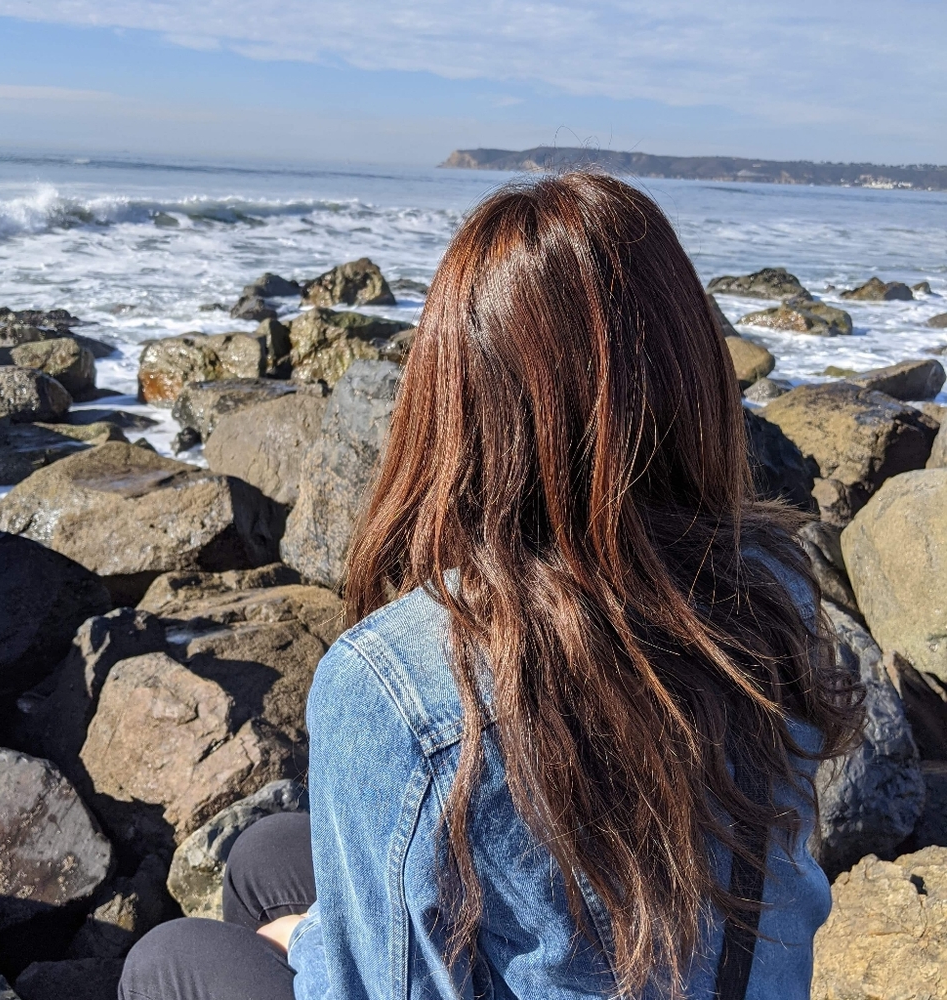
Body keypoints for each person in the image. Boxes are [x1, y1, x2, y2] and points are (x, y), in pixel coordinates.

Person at [119, 172, 861, 1000]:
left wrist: (312, 949)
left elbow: (384, 991)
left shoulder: (401, 682)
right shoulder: (770, 594)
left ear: (455, 394)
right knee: (268, 856)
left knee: (169, 958)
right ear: (688, 371)